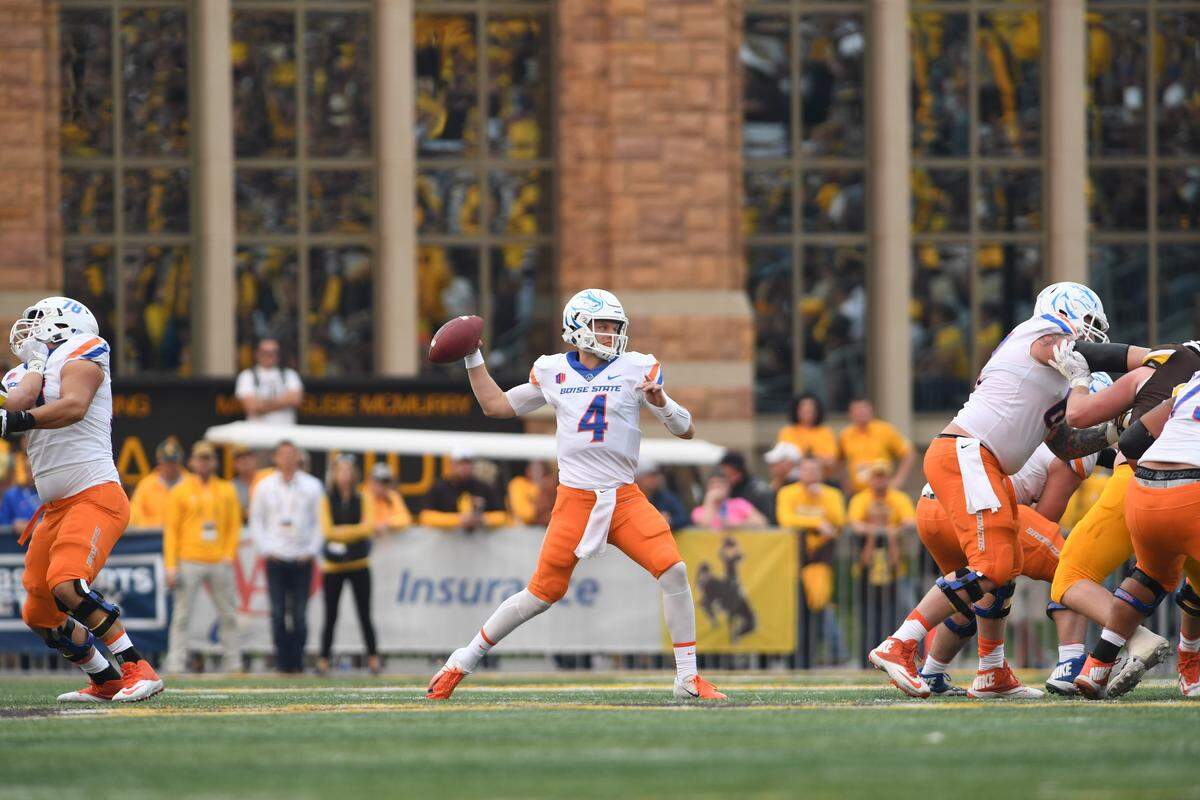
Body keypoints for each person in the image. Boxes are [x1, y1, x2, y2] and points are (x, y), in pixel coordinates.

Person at [427, 288, 727, 700]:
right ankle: (462, 660)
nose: (609, 335)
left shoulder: (637, 368)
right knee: (540, 594)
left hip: (624, 498)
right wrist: (473, 358)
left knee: (673, 571)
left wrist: (661, 402)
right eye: (601, 326)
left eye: (614, 327)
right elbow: (496, 406)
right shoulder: (552, 370)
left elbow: (686, 429)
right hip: (575, 500)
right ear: (577, 327)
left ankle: (687, 678)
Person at [868, 281, 1115, 700]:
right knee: (1014, 564)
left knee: (1004, 566)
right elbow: (1066, 357)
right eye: (1088, 323)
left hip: (975, 467)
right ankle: (900, 643)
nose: (1092, 335)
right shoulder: (1042, 334)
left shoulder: (1051, 381)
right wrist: (1137, 365)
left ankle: (991, 670)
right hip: (968, 456)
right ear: (1062, 311)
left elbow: (1065, 443)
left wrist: (1111, 430)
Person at [1, 295, 162, 701]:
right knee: (38, 613)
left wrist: (15, 419)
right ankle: (104, 678)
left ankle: (136, 668)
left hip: (94, 495)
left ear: (63, 324)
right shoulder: (26, 371)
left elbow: (73, 407)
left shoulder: (85, 350)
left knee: (67, 583)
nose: (28, 328)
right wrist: (36, 365)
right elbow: (16, 404)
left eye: (37, 320)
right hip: (54, 509)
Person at [1049, 338, 1200, 697]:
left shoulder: (1180, 381)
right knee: (1192, 581)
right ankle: (1189, 665)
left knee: (1134, 577)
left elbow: (1086, 430)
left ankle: (1099, 663)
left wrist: (1076, 375)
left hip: (1143, 486)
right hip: (1191, 488)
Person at [162, 440, 243, 674]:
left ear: (214, 462)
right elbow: (171, 531)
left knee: (228, 614)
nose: (204, 462)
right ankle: (176, 662)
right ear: (192, 461)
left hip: (219, 560)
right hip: (189, 559)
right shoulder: (180, 491)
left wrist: (228, 554)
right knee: (182, 615)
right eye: (200, 458)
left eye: (208, 458)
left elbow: (233, 526)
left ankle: (233, 661)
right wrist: (170, 565)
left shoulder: (227, 490)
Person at [249, 441, 325, 674]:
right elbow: (256, 520)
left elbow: (321, 521)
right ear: (275, 458)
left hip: (302, 556)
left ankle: (298, 659)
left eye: (292, 454)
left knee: (301, 613)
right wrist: (265, 549)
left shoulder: (312, 486)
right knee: (278, 611)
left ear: (299, 458)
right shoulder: (264, 486)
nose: (288, 459)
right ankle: (282, 661)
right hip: (276, 557)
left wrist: (311, 550)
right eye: (283, 454)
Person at [776, 457, 847, 664]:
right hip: (791, 562)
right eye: (806, 470)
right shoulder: (787, 492)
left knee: (817, 607)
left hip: (819, 562)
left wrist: (821, 498)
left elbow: (839, 520)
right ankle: (794, 659)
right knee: (793, 611)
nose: (810, 474)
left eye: (815, 470)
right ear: (799, 472)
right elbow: (785, 519)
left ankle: (812, 656)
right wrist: (816, 522)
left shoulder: (831, 494)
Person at [848, 461, 916, 664]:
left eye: (883, 476)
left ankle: (890, 656)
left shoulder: (898, 498)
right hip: (867, 575)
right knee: (867, 619)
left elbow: (910, 522)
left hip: (893, 573)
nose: (880, 481)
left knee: (893, 618)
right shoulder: (860, 499)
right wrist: (880, 530)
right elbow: (854, 525)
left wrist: (887, 531)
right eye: (876, 476)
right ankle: (865, 658)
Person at [318, 455, 380, 676]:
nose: (344, 475)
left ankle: (373, 659)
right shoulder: (326, 499)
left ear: (354, 474)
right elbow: (327, 531)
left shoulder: (363, 497)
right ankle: (323, 660)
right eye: (340, 471)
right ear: (334, 474)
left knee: (365, 614)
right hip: (333, 567)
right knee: (330, 615)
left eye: (348, 470)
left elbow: (369, 527)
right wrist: (353, 530)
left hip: (359, 563)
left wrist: (341, 532)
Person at [418, 448, 508, 531]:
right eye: (460, 463)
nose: (464, 467)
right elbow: (426, 516)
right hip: (446, 545)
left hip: (479, 545)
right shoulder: (439, 487)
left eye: (468, 463)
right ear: (452, 464)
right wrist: (459, 520)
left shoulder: (483, 487)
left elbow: (502, 516)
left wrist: (482, 519)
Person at [838, 398, 915, 494]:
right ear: (850, 414)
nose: (861, 413)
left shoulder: (885, 430)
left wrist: (898, 480)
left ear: (872, 410)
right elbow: (839, 460)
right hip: (857, 492)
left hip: (883, 491)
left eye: (864, 409)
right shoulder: (845, 435)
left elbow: (909, 454)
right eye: (856, 410)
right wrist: (845, 482)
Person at [234, 338, 304, 425]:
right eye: (265, 352)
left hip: (285, 432)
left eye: (273, 352)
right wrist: (283, 401)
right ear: (257, 354)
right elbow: (251, 406)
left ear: (279, 355)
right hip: (256, 433)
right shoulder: (247, 375)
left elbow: (295, 399)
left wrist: (262, 404)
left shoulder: (290, 374)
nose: (269, 356)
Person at [776, 393, 839, 479]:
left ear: (817, 411)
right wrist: (817, 460)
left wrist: (800, 460)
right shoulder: (787, 432)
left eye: (810, 410)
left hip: (821, 481)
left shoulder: (825, 432)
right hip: (793, 480)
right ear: (796, 411)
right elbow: (782, 462)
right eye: (803, 410)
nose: (807, 412)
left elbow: (831, 461)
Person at [129, 437, 186, 527]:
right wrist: (161, 523)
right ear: (159, 461)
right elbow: (134, 517)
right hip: (154, 538)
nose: (170, 466)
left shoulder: (191, 482)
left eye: (174, 461)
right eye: (167, 462)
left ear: (180, 461)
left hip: (185, 536)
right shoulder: (146, 485)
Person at [691, 473, 767, 531]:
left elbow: (761, 522)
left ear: (728, 486)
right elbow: (705, 526)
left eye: (721, 483)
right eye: (713, 483)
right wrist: (710, 499)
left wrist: (736, 525)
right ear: (707, 487)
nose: (717, 486)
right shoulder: (698, 511)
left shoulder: (739, 503)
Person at [717, 450, 775, 523]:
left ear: (738, 471)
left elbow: (768, 521)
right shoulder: (730, 489)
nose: (726, 478)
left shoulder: (759, 490)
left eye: (729, 474)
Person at [0, 437, 39, 536]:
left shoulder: (53, 493)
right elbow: (3, 521)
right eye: (29, 469)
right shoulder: (12, 494)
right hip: (16, 548)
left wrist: (38, 526)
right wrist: (14, 525)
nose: (32, 473)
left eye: (35, 469)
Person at [635, 460, 689, 531]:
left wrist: (670, 520)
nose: (654, 479)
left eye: (656, 475)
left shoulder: (667, 498)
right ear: (638, 478)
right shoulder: (630, 498)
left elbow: (685, 518)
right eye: (650, 475)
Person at [363, 462, 412, 532]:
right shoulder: (363, 498)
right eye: (379, 481)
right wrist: (375, 526)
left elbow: (406, 519)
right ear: (370, 480)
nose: (383, 486)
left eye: (386, 482)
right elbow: (362, 522)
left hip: (390, 541)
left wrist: (388, 524)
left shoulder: (393, 496)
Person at [506, 461, 557, 527]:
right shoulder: (518, 484)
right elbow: (526, 513)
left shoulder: (550, 485)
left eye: (542, 470)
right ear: (528, 471)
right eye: (535, 470)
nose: (539, 473)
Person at [230, 444, 260, 520]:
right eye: (239, 458)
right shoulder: (230, 486)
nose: (244, 461)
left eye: (248, 456)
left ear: (255, 459)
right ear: (234, 464)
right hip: (240, 527)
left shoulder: (266, 482)